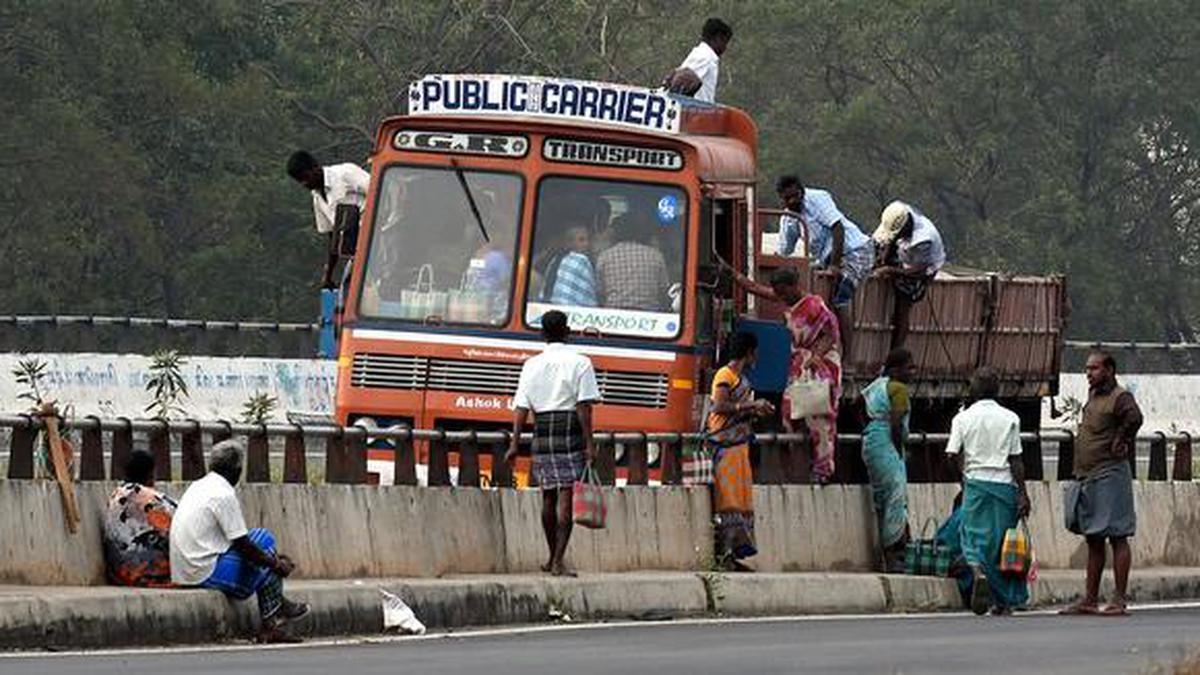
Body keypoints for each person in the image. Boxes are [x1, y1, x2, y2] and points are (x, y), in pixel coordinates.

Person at [170, 440, 309, 643]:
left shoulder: (199, 486)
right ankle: (274, 617)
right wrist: (277, 563)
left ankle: (276, 615)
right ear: (237, 470)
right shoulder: (223, 494)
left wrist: (272, 560)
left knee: (262, 546)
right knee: (264, 540)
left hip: (185, 569)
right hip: (202, 571)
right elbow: (243, 545)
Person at [506, 310, 600, 577]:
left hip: (542, 429)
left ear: (543, 334)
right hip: (569, 428)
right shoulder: (581, 362)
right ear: (567, 332)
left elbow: (521, 408)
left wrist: (514, 444)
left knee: (548, 495)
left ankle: (551, 557)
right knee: (566, 496)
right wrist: (589, 443)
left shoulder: (531, 365)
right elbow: (584, 407)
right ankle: (559, 559)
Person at [729, 266, 842, 483]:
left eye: (782, 292)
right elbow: (754, 288)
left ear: (794, 286)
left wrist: (815, 357)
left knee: (819, 417)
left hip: (819, 365)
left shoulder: (814, 305)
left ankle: (823, 470)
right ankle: (797, 466)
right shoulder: (786, 299)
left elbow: (831, 334)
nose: (780, 297)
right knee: (790, 415)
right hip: (799, 364)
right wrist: (733, 274)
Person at [1060, 351, 1144, 617]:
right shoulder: (1094, 396)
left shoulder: (1120, 397)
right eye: (1087, 369)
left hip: (1110, 473)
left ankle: (1119, 599)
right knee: (1094, 538)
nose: (1089, 373)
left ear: (1109, 369)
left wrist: (1121, 438)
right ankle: (1090, 598)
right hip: (1089, 475)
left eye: (1094, 369)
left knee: (1117, 535)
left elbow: (1135, 418)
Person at [946, 366, 1030, 616]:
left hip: (975, 483)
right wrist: (1023, 493)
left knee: (971, 537)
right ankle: (1003, 601)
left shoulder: (962, 419)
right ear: (997, 390)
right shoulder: (1011, 418)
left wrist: (963, 480)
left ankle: (977, 571)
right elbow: (1016, 460)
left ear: (973, 390)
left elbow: (951, 455)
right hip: (1005, 486)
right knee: (1000, 545)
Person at [774, 175, 874, 357]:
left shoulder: (817, 199)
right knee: (821, 303)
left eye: (796, 196)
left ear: (801, 191)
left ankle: (848, 357)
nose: (794, 201)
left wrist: (835, 266)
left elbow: (837, 227)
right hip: (827, 258)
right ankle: (823, 350)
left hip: (854, 250)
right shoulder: (788, 218)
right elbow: (785, 250)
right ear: (782, 199)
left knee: (840, 296)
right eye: (788, 199)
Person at [707, 332, 776, 571]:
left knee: (741, 502)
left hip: (739, 447)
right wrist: (750, 405)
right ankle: (723, 556)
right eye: (755, 351)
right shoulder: (725, 375)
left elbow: (737, 411)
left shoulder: (741, 378)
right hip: (725, 448)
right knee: (728, 503)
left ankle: (733, 555)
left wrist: (755, 411)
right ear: (748, 352)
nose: (757, 356)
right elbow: (719, 406)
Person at [861, 348, 915, 572]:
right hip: (886, 443)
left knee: (882, 497)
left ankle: (895, 550)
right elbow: (896, 424)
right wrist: (899, 450)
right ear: (895, 370)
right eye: (909, 367)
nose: (913, 371)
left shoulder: (876, 386)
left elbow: (859, 405)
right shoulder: (899, 389)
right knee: (895, 496)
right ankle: (892, 554)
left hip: (871, 440)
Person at [286, 150, 370, 289]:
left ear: (315, 168)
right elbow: (333, 237)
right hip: (358, 250)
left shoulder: (345, 173)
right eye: (300, 181)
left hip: (379, 236)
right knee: (349, 286)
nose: (304, 183)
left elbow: (380, 190)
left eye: (305, 177)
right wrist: (329, 274)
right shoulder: (317, 198)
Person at [872, 200, 947, 349]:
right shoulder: (901, 211)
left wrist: (890, 270)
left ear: (905, 228)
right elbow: (891, 239)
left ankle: (896, 350)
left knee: (902, 306)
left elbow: (917, 270)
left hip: (922, 269)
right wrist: (883, 258)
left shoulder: (924, 239)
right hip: (905, 252)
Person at [103, 450, 176, 588]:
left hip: (116, 572)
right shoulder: (147, 497)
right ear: (151, 473)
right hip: (139, 572)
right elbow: (178, 522)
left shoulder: (117, 493)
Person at [595, 214, 670, 311]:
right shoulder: (656, 255)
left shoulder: (605, 256)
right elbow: (663, 291)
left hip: (614, 316)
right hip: (649, 316)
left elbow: (599, 292)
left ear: (616, 233)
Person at [672, 18, 733, 103]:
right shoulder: (705, 56)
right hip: (696, 112)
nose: (725, 48)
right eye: (725, 42)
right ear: (717, 38)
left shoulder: (701, 53)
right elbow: (682, 79)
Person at [543, 226, 599, 307]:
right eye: (581, 240)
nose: (587, 244)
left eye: (588, 240)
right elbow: (590, 299)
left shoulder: (555, 260)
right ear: (570, 243)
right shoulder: (581, 260)